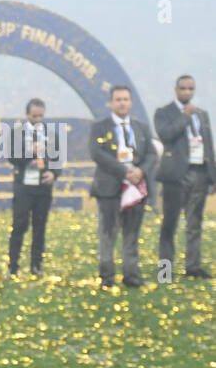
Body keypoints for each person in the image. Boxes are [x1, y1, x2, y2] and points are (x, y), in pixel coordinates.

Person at [88, 86, 157, 288]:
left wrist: (141, 171)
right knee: (108, 233)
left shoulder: (141, 127)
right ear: (111, 103)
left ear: (131, 102)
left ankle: (132, 276)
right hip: (109, 189)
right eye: (118, 99)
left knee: (132, 233)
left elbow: (151, 154)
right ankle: (107, 278)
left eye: (125, 99)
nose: (122, 103)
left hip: (136, 189)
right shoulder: (100, 126)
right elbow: (97, 153)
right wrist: (123, 171)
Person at [155, 75, 216, 279]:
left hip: (199, 172)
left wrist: (212, 175)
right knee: (169, 224)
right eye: (183, 88)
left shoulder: (202, 114)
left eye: (191, 89)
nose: (187, 92)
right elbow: (166, 135)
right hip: (175, 175)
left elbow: (208, 145)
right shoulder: (164, 112)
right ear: (176, 90)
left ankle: (193, 267)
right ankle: (166, 271)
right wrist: (184, 117)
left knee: (195, 224)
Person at [6, 98, 59, 277]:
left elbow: (58, 160)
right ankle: (13, 267)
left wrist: (54, 174)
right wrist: (31, 153)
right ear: (27, 114)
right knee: (19, 225)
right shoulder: (16, 133)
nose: (37, 119)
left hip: (43, 188)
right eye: (34, 116)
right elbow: (12, 158)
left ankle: (36, 266)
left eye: (41, 116)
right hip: (24, 188)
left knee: (40, 226)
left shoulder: (51, 134)